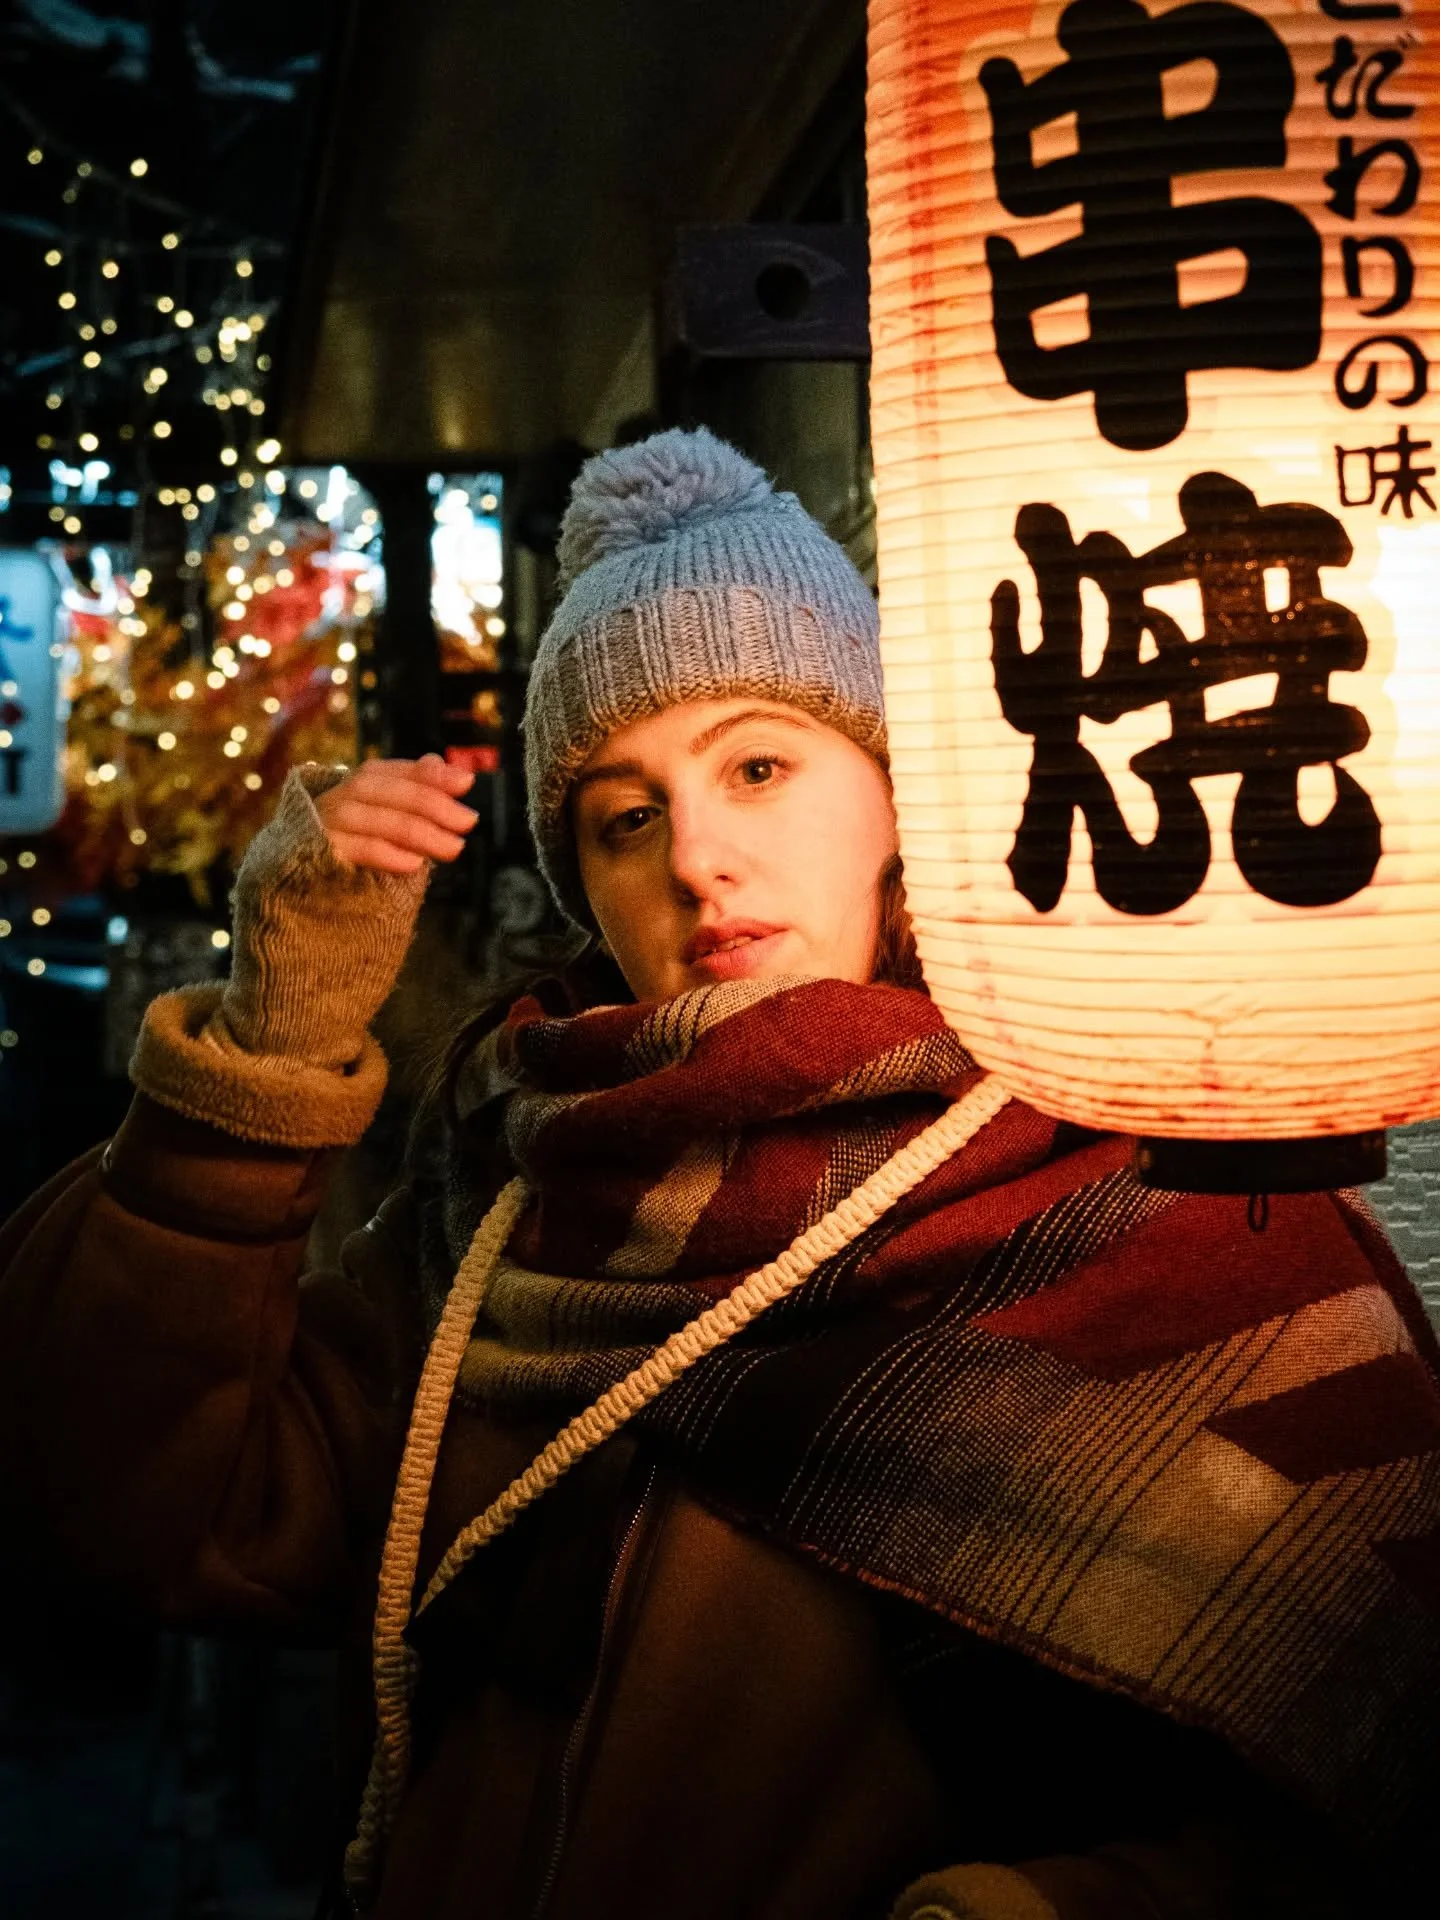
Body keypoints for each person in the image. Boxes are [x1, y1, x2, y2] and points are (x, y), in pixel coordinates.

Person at [1, 428, 1438, 1920]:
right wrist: (267, 1048)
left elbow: (1377, 1745)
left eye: (759, 766)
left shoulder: (1143, 1178)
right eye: (625, 819)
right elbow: (132, 1509)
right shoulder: (515, 1207)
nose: (697, 857)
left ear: (898, 800)